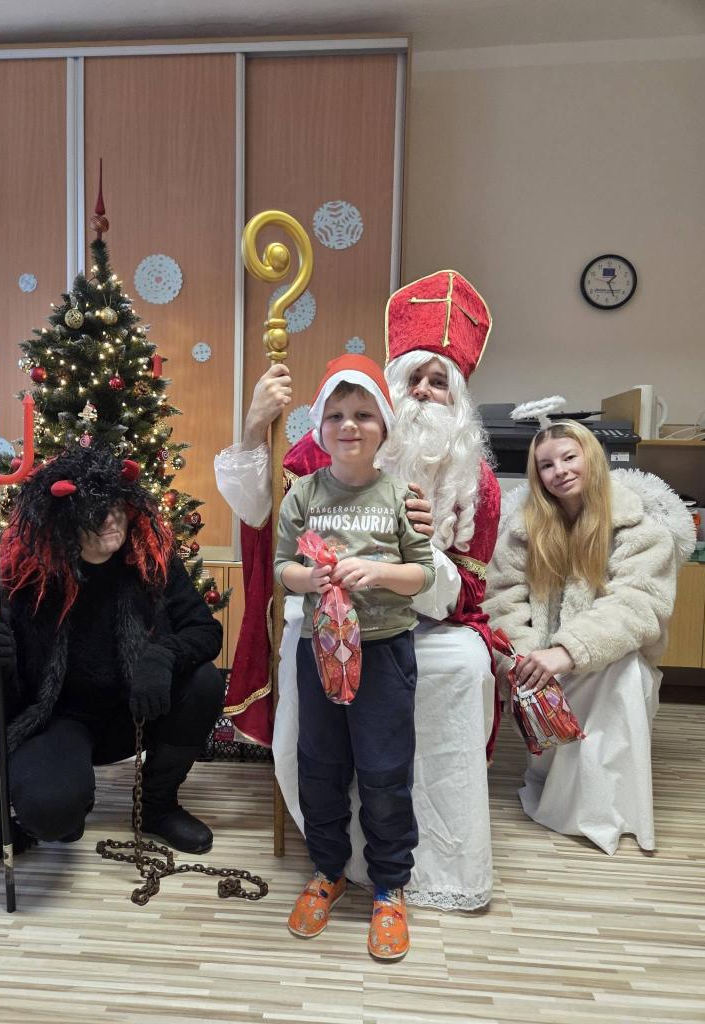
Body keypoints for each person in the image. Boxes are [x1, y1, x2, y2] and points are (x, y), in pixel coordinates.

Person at [215, 269, 502, 911]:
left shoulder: (474, 481)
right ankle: (329, 865)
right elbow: (262, 519)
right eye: (415, 377)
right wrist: (254, 426)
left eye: (439, 382)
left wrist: (405, 560)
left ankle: (407, 874)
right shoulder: (323, 457)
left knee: (408, 740)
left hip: (414, 629)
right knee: (321, 759)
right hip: (327, 629)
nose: (424, 391)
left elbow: (460, 587)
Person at [0, 446, 225, 862]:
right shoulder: (31, 579)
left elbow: (205, 631)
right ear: (64, 521)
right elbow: (3, 699)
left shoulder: (150, 559)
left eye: (116, 506)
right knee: (51, 813)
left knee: (204, 682)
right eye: (93, 510)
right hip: (60, 719)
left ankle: (157, 805)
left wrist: (162, 655)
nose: (110, 518)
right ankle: (70, 799)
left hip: (137, 710)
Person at [274, 354, 435, 960]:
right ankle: (328, 871)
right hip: (319, 652)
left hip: (385, 651)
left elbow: (422, 574)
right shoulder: (302, 494)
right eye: (336, 415)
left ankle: (390, 885)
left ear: (383, 426)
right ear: (319, 427)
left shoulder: (400, 495)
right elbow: (283, 565)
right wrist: (307, 578)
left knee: (385, 772)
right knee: (319, 766)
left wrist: (380, 571)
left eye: (364, 414)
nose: (349, 425)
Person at [483, 420, 694, 854]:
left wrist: (570, 651)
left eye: (569, 457)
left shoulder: (639, 527)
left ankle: (605, 810)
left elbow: (637, 604)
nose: (559, 470)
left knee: (622, 674)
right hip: (541, 665)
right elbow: (502, 602)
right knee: (555, 680)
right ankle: (564, 794)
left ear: (592, 458)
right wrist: (525, 658)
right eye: (546, 465)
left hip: (612, 660)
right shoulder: (523, 531)